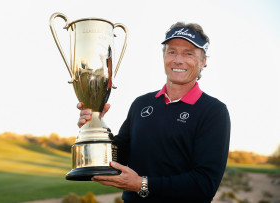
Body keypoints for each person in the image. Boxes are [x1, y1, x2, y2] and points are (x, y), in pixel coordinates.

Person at [77, 22, 231, 203]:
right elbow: (119, 154)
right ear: (164, 56)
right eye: (172, 51)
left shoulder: (213, 111)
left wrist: (142, 184)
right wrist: (94, 127)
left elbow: (204, 184)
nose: (178, 60)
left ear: (203, 61)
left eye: (188, 53)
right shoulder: (142, 104)